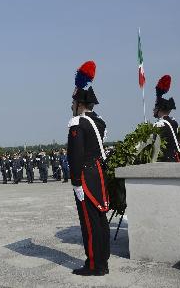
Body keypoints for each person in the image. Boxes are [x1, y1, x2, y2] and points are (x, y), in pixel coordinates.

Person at [67, 60, 110, 276]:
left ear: (79, 104)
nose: (71, 105)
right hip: (98, 173)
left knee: (89, 222)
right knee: (100, 219)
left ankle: (94, 265)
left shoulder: (78, 123)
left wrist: (75, 182)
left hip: (85, 175)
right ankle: (104, 261)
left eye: (73, 102)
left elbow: (76, 155)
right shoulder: (99, 122)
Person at [153, 75, 180, 162]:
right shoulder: (174, 122)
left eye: (155, 108)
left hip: (165, 160)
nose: (153, 110)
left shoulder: (159, 125)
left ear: (160, 109)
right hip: (174, 158)